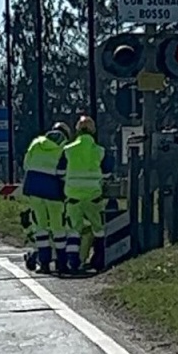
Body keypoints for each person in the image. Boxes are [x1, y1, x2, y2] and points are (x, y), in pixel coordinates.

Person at [58, 115, 114, 273]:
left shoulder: (68, 150)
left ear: (77, 130)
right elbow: (108, 173)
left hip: (73, 197)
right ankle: (99, 259)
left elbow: (60, 172)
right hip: (93, 197)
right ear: (93, 131)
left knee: (74, 230)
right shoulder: (100, 151)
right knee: (99, 230)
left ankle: (73, 262)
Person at [21, 121, 72, 274]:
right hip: (53, 189)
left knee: (40, 227)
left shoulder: (36, 142)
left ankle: (44, 264)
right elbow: (63, 172)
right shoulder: (64, 147)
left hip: (33, 187)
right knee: (58, 228)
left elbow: (26, 164)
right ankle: (61, 264)